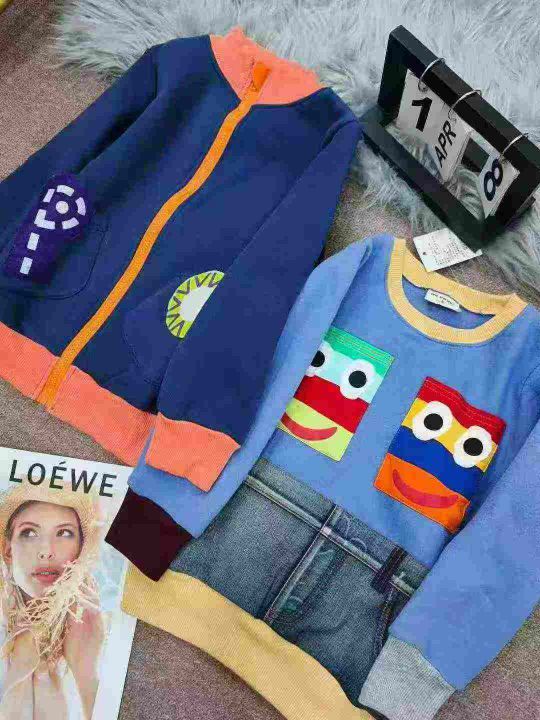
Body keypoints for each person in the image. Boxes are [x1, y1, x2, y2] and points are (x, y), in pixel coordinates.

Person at [0, 484, 106, 720]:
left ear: (80, 551)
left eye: (64, 533)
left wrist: (86, 670)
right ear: (8, 550)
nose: (46, 551)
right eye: (29, 533)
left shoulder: (100, 637)